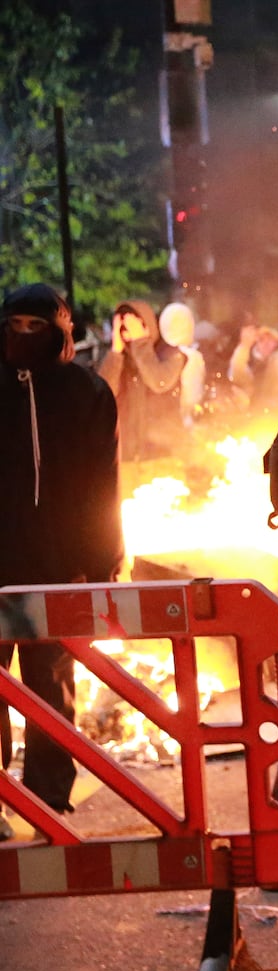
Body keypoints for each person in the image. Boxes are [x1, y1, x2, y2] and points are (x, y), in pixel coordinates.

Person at [0, 284, 122, 834]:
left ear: (62, 330)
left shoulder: (86, 392)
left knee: (50, 684)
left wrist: (101, 564)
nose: (24, 336)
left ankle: (48, 798)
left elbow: (102, 485)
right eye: (15, 325)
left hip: (56, 566)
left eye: (37, 326)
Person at [97, 299, 183, 460]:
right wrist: (115, 351)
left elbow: (159, 382)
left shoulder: (169, 353)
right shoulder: (115, 359)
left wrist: (141, 343)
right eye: (123, 329)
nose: (127, 334)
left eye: (133, 327)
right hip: (126, 456)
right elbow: (103, 397)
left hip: (163, 455)